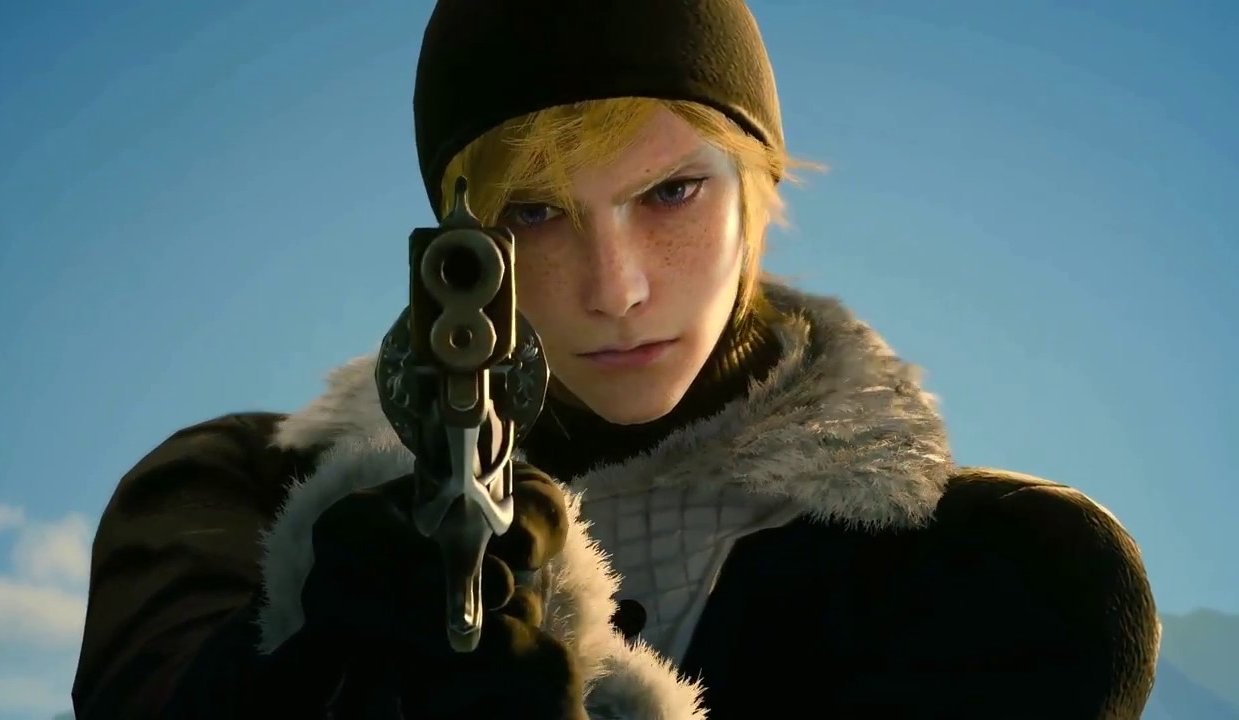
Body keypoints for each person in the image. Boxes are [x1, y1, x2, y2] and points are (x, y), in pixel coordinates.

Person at [72, 1, 1162, 718]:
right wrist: (294, 668)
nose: (616, 287)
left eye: (670, 192)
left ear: (755, 189)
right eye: (535, 213)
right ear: (459, 246)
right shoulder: (230, 497)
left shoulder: (992, 576)